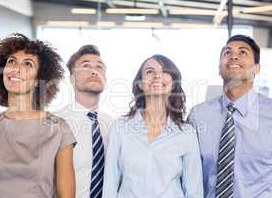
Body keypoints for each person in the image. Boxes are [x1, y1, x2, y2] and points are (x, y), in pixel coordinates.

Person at [0, 33, 76, 198]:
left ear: (39, 79)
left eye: (27, 64)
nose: (16, 68)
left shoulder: (59, 130)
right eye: (11, 61)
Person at [102, 54, 203, 197]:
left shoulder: (186, 132)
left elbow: (194, 190)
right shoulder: (120, 128)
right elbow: (110, 184)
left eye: (164, 72)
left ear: (173, 83)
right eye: (150, 71)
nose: (157, 76)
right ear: (140, 84)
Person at [188, 35, 272, 198]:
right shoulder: (198, 116)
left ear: (256, 68)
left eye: (243, 52)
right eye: (227, 53)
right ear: (219, 68)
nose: (234, 56)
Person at [55, 45, 113, 198]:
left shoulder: (114, 126)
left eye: (99, 67)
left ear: (105, 79)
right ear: (72, 78)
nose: (94, 71)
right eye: (86, 66)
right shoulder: (53, 123)